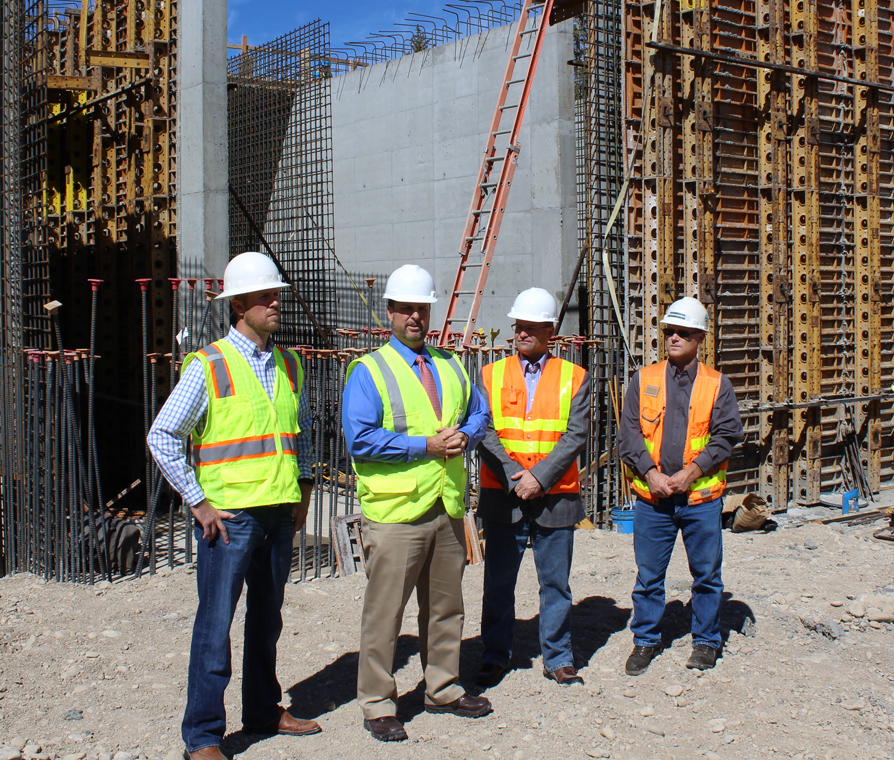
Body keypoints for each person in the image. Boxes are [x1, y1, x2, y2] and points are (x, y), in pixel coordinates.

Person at [146, 252, 321, 760]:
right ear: (238, 304)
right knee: (216, 625)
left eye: (277, 295)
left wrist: (303, 490)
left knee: (267, 620)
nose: (275, 302)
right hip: (230, 520)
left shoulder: (290, 363)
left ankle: (264, 710)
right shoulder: (210, 365)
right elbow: (163, 436)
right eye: (266, 296)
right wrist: (198, 502)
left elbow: (301, 431)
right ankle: (202, 736)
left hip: (278, 511)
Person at [342, 264, 494, 742]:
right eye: (406, 309)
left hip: (446, 508)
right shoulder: (369, 371)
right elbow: (360, 438)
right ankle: (377, 702)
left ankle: (443, 686)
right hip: (394, 515)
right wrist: (425, 446)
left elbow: (480, 411)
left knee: (447, 607)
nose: (414, 317)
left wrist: (465, 437)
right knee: (385, 613)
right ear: (388, 313)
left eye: (421, 309)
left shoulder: (449, 365)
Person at [616, 296, 741, 675]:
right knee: (649, 575)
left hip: (700, 498)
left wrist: (690, 474)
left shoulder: (717, 384)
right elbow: (629, 435)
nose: (673, 338)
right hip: (653, 500)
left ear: (700, 337)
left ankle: (705, 641)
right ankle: (646, 640)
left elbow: (725, 436)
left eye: (682, 333)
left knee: (705, 575)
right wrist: (652, 475)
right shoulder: (645, 379)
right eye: (668, 331)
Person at [476, 287, 590, 687]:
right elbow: (483, 430)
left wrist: (539, 477)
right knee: (499, 581)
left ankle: (558, 656)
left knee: (555, 582)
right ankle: (494, 654)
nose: (521, 333)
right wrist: (515, 476)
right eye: (518, 327)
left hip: (554, 496)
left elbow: (576, 435)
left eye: (530, 327)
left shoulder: (574, 377)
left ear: (549, 330)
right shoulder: (491, 374)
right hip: (503, 494)